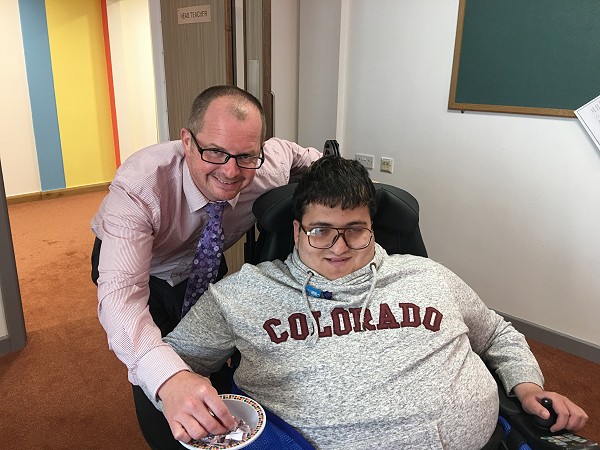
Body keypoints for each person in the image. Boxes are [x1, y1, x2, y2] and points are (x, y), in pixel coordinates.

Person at [147, 156, 589, 449]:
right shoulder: (241, 295)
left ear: (372, 227)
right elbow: (170, 363)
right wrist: (174, 388)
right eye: (321, 230)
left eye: (355, 229)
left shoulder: (427, 275)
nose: (339, 247)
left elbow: (495, 333)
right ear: (297, 231)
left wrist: (527, 386)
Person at [90, 85, 322, 449]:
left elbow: (299, 156)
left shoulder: (267, 167)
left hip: (205, 261)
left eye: (245, 156)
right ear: (187, 141)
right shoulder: (140, 187)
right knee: (160, 361)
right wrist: (169, 379)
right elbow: (121, 298)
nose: (230, 171)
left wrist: (343, 179)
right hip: (146, 267)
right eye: (215, 152)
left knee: (209, 345)